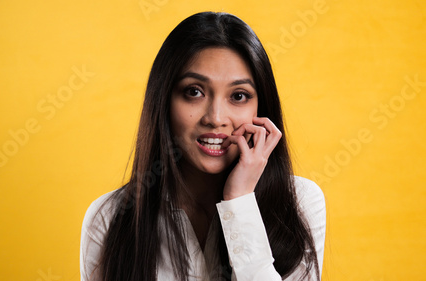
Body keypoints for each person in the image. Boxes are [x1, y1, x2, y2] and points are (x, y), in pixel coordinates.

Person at [80, 11, 326, 281]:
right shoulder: (111, 219)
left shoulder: (299, 203)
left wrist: (240, 201)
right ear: (164, 102)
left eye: (239, 96)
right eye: (194, 92)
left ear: (261, 108)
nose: (216, 119)